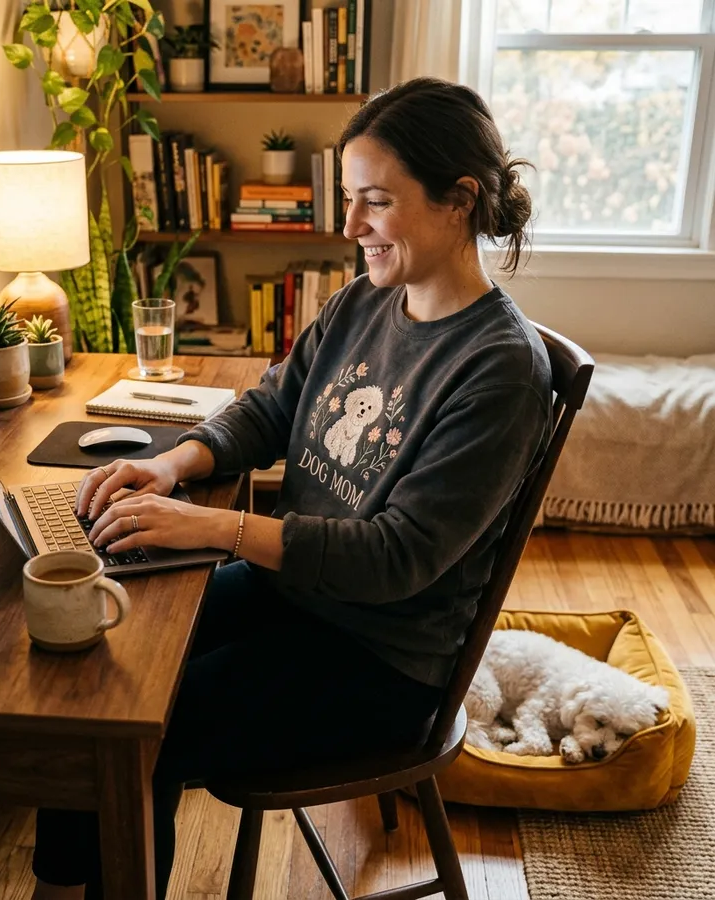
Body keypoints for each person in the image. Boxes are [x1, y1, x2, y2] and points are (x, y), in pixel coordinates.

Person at [31, 76, 552, 900]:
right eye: (350, 199)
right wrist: (175, 464)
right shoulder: (365, 302)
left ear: (459, 200)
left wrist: (212, 530)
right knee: (97, 689)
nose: (350, 227)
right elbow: (274, 405)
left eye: (374, 202)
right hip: (299, 595)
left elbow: (395, 558)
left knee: (130, 736)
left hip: (382, 662)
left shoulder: (500, 370)